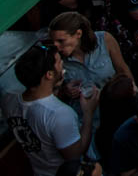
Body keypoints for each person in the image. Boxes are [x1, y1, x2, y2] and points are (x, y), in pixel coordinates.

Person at [3, 41, 99, 176]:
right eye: (59, 62)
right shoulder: (60, 114)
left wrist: (59, 89)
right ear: (49, 74)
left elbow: (37, 105)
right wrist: (88, 112)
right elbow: (75, 155)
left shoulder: (8, 99)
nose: (62, 64)